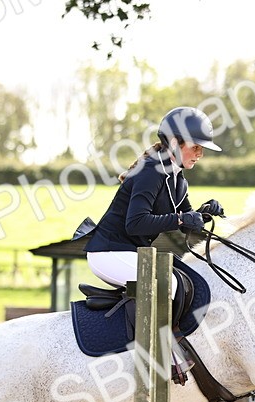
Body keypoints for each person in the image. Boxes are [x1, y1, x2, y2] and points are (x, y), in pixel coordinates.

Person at [84, 106, 227, 287]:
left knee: (182, 282)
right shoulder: (150, 172)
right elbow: (136, 223)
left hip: (128, 252)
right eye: (195, 147)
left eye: (202, 148)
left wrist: (203, 213)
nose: (200, 154)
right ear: (174, 143)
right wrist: (181, 219)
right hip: (109, 253)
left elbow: (185, 224)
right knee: (169, 285)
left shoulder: (177, 178)